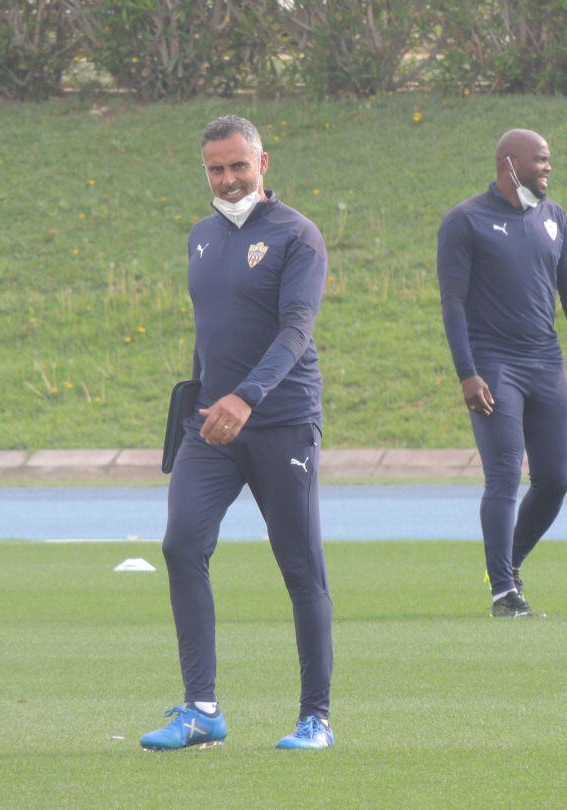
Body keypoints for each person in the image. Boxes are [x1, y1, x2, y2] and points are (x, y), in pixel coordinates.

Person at [139, 115, 334, 750]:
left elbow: (295, 330)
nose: (228, 180)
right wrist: (193, 405)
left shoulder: (297, 235)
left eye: (238, 166)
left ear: (263, 164)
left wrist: (247, 397)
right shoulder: (200, 237)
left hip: (281, 422)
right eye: (216, 169)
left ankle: (315, 718)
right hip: (212, 427)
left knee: (300, 567)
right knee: (181, 546)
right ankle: (201, 710)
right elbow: (212, 331)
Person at [436, 129, 567, 618]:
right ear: (510, 164)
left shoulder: (555, 219)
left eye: (550, 161)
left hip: (545, 362)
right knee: (505, 474)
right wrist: (467, 372)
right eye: (541, 161)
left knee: (554, 479)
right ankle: (504, 593)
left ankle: (505, 564)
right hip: (493, 365)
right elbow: (453, 304)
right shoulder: (465, 221)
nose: (548, 168)